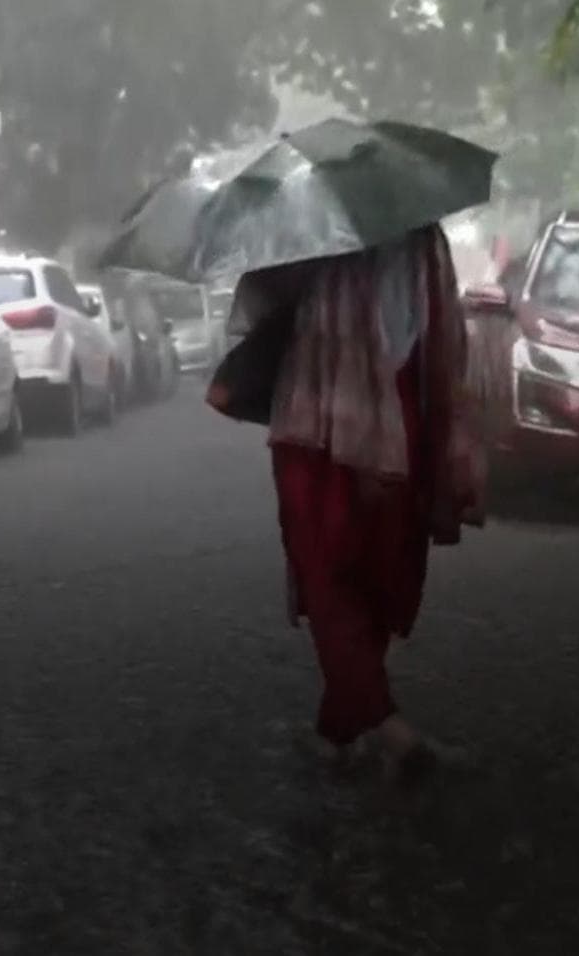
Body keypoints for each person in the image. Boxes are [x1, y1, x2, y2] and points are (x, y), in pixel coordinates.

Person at [212, 224, 484, 781]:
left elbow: (260, 304)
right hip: (400, 426)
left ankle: (389, 730)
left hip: (316, 425)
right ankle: (335, 732)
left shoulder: (306, 234)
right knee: (376, 573)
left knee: (328, 575)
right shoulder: (424, 240)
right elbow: (443, 336)